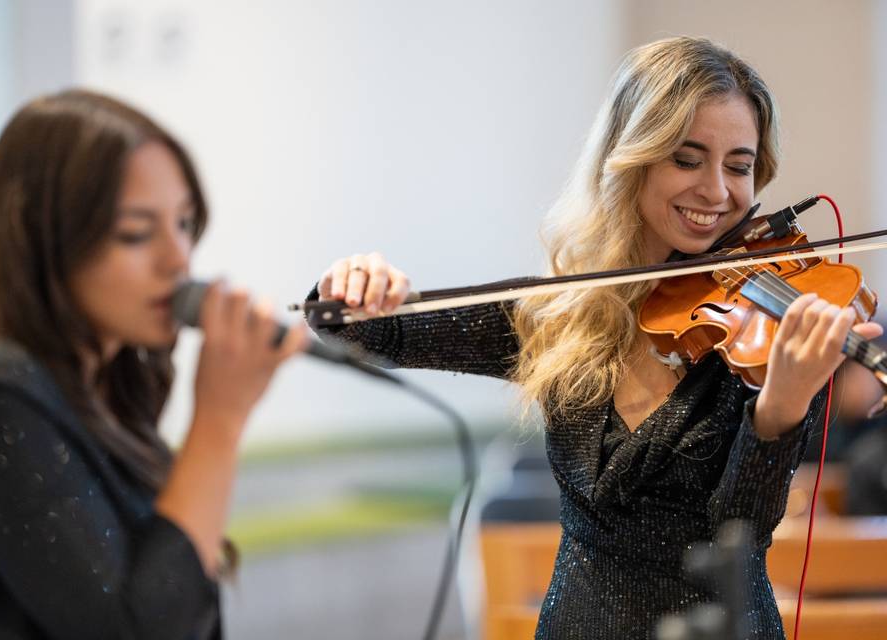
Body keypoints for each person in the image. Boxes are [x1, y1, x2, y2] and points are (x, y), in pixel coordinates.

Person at [307, 37, 885, 639]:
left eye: (738, 166)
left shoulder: (772, 340)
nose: (717, 192)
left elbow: (735, 539)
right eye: (687, 160)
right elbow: (368, 331)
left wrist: (781, 408)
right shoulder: (561, 318)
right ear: (631, 158)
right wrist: (351, 287)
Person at [0, 89, 308, 639]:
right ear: (47, 239)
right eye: (135, 232)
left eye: (184, 223)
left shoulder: (113, 382)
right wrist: (219, 421)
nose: (178, 259)